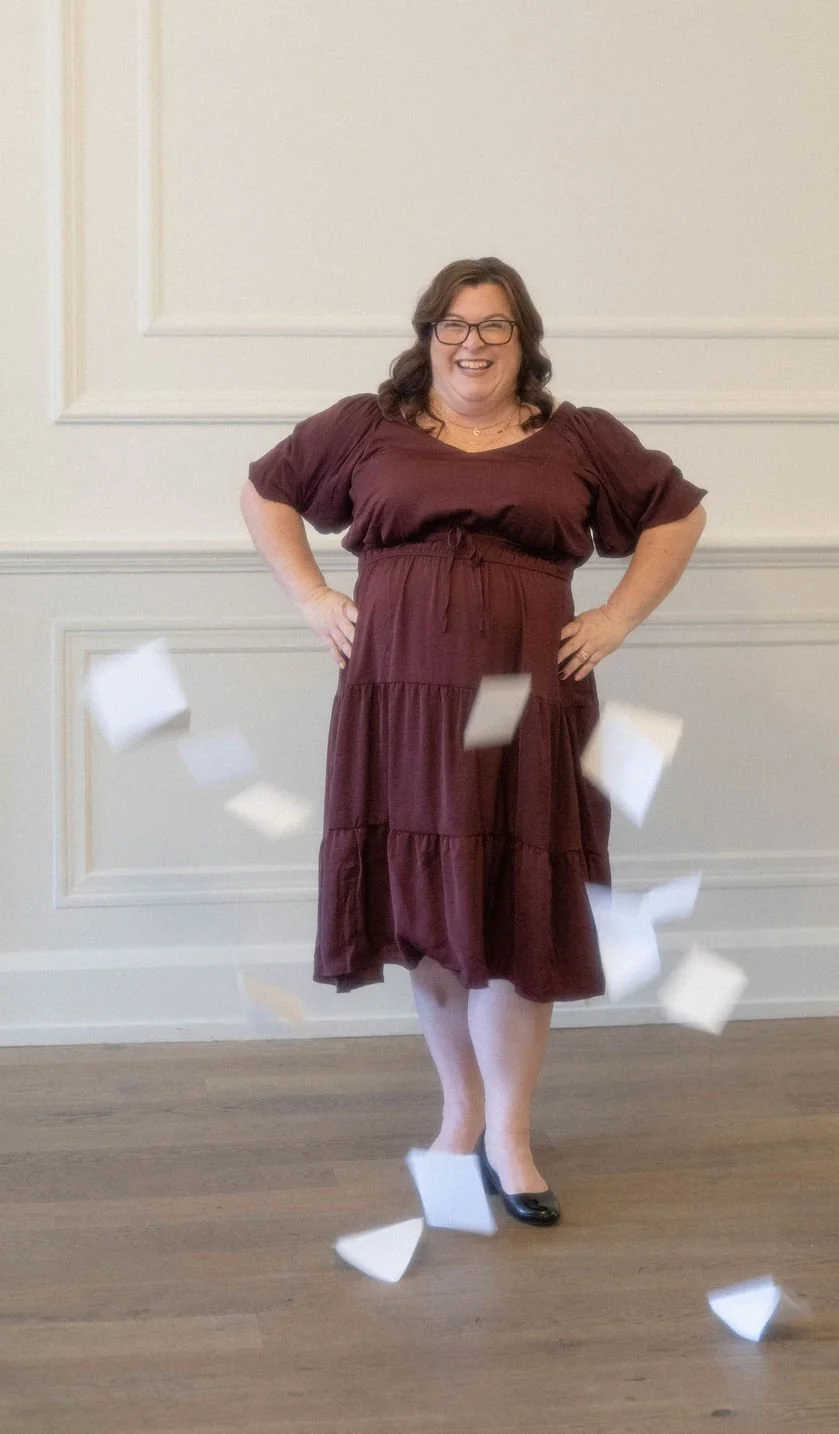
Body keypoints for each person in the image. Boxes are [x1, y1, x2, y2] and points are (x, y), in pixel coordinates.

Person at [241, 257, 706, 1226]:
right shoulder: (366, 426)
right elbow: (266, 492)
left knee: (513, 908)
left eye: (494, 327)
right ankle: (459, 1115)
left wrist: (616, 617)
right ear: (426, 337)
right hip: (399, 704)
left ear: (522, 341)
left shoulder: (575, 437)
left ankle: (512, 1136)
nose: (473, 344)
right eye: (454, 326)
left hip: (527, 702)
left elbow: (677, 511)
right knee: (430, 906)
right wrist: (314, 596)